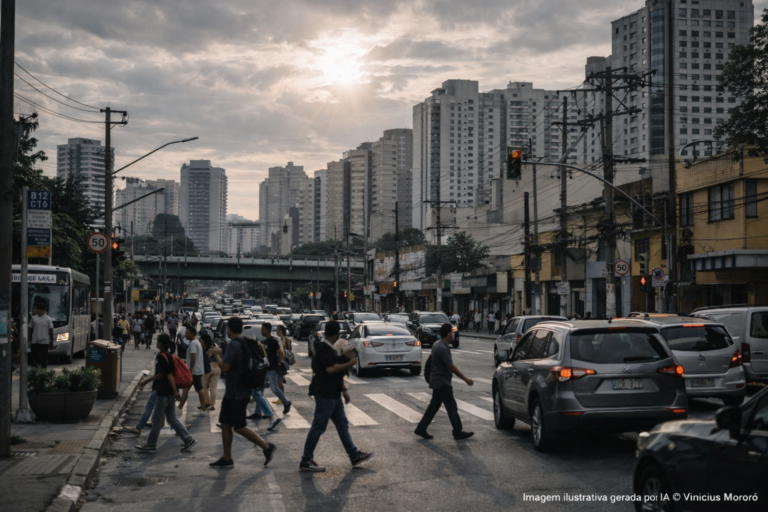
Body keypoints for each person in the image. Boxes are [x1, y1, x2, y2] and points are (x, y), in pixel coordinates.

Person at [300, 320, 373, 472]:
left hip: (334, 394)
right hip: (325, 395)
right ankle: (306, 460)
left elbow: (336, 373)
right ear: (337, 333)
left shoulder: (330, 348)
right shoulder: (323, 349)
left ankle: (354, 455)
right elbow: (331, 369)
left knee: (342, 425)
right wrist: (349, 363)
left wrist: (344, 390)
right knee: (318, 427)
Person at [207, 316, 277, 468]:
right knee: (225, 423)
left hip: (236, 393)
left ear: (229, 329)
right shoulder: (244, 342)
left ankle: (266, 446)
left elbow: (225, 367)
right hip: (238, 391)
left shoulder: (234, 345)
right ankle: (227, 458)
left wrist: (217, 355)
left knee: (238, 426)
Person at [134, 334, 197, 453]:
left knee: (157, 419)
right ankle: (188, 439)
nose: (156, 342)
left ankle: (151, 445)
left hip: (164, 392)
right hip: (169, 392)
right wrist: (174, 391)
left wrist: (147, 381)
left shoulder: (162, 357)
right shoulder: (169, 356)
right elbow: (164, 374)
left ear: (161, 343)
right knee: (172, 418)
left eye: (157, 340)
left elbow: (165, 375)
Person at [415, 323, 474, 441]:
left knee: (434, 407)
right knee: (451, 406)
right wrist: (465, 379)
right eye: (452, 332)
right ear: (448, 333)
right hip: (442, 382)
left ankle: (421, 428)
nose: (453, 334)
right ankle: (457, 431)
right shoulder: (442, 347)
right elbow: (451, 366)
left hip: (438, 380)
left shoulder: (437, 344)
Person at [178, 326, 210, 415]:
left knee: (194, 389)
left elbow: (193, 357)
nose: (185, 335)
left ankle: (202, 409)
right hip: (196, 370)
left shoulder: (193, 344)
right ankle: (180, 408)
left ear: (192, 334)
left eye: (187, 333)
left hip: (194, 371)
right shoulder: (196, 342)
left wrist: (190, 370)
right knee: (191, 389)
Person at [261, 323, 292, 413]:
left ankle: (286, 403)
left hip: (272, 368)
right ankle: (258, 412)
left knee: (274, 388)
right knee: (260, 390)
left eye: (263, 329)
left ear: (267, 330)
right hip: (264, 368)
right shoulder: (264, 341)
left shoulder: (273, 340)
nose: (261, 331)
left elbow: (281, 352)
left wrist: (278, 362)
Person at [29, 303, 54, 368]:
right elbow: (29, 328)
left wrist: (51, 341)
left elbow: (51, 329)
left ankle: (43, 372)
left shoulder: (48, 319)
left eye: (37, 309)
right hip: (35, 341)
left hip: (44, 341)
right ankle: (34, 370)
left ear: (41, 309)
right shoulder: (33, 318)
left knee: (44, 358)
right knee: (34, 357)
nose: (36, 310)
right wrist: (28, 339)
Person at [199, 333, 221, 412]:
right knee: (213, 387)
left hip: (207, 368)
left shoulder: (203, 347)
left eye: (201, 340)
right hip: (216, 367)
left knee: (204, 387)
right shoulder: (215, 345)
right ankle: (212, 405)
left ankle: (206, 402)